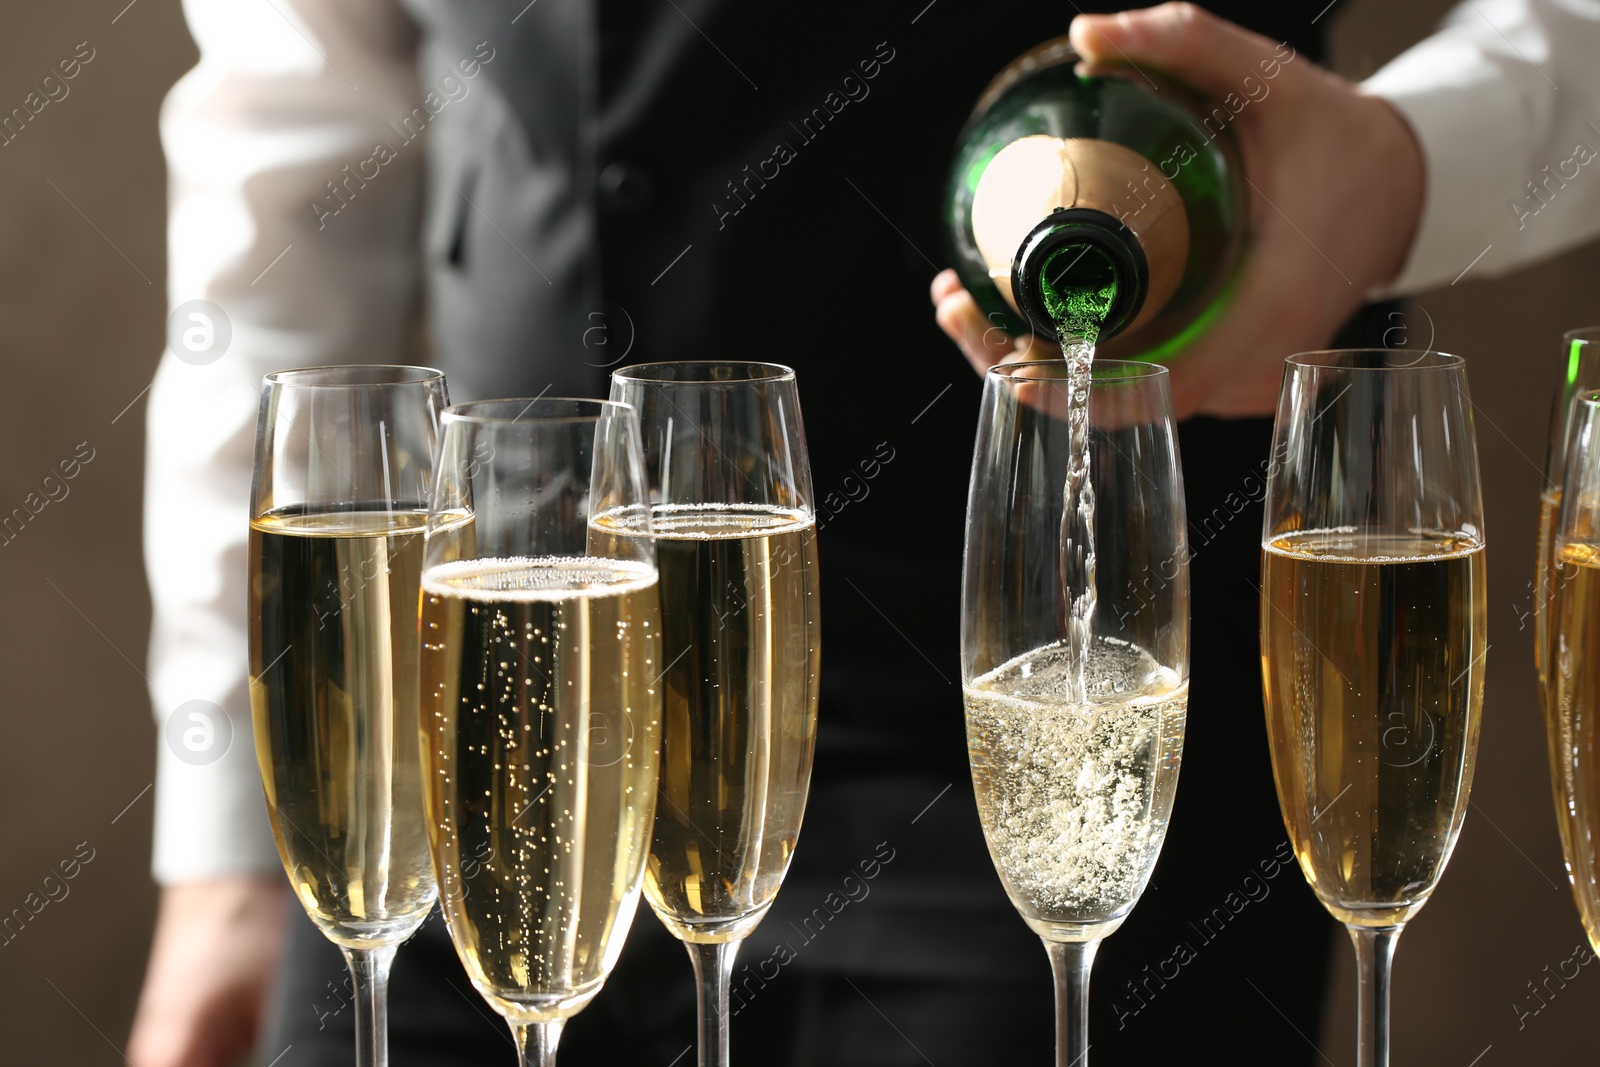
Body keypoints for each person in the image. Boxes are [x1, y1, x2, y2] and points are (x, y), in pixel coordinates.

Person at [128, 2, 1600, 1065]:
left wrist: (1411, 162)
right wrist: (226, 859)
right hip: (486, 728)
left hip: (1054, 741)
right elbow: (294, 123)